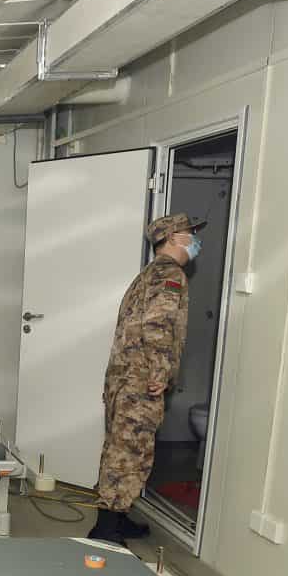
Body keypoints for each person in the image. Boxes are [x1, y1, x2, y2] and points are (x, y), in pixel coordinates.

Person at [88, 212, 201, 544]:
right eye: (189, 234)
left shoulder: (147, 275)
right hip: (140, 381)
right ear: (172, 238)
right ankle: (106, 529)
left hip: (124, 378)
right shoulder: (171, 276)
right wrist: (160, 372)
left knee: (120, 447)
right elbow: (156, 326)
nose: (194, 240)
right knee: (129, 453)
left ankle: (117, 517)